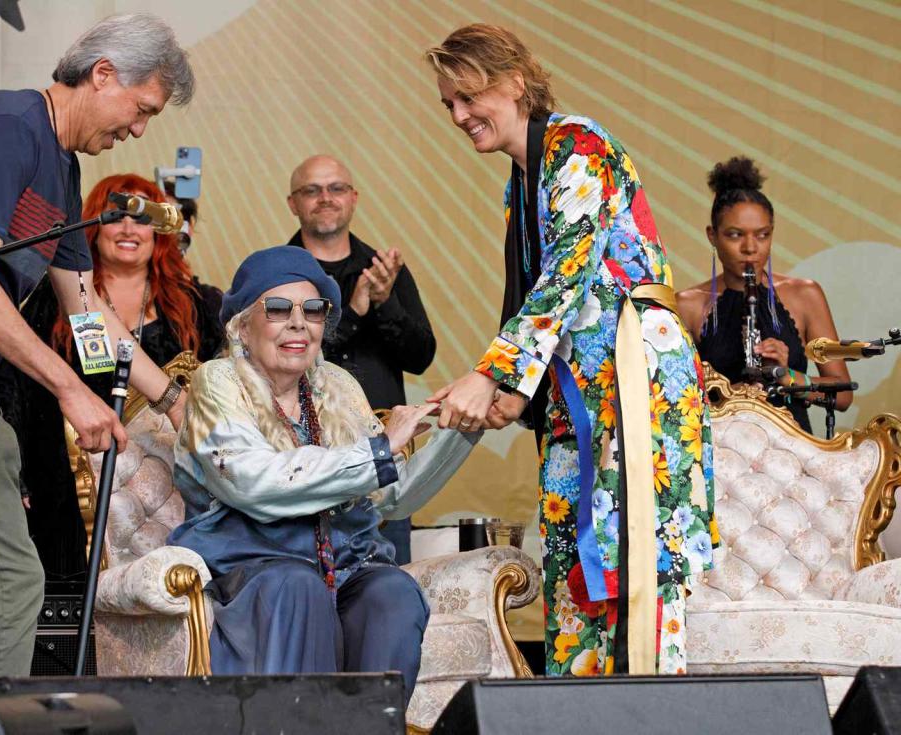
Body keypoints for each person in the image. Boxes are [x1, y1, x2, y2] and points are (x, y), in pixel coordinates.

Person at [425, 24, 716, 677]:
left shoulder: (577, 147)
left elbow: (567, 274)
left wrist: (491, 372)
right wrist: (507, 390)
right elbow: (526, 292)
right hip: (574, 385)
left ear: (517, 82)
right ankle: (577, 704)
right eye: (448, 103)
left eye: (468, 96)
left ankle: (651, 708)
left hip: (632, 373)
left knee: (633, 549)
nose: (459, 115)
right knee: (571, 542)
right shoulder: (521, 179)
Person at [0, 13, 193, 697]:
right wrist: (70, 391)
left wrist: (174, 402)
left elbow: (88, 314)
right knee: (15, 580)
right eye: (141, 109)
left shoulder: (61, 165)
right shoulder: (7, 128)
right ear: (103, 73)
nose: (138, 131)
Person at [168, 246, 477, 699]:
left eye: (313, 310)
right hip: (254, 569)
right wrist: (377, 451)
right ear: (242, 326)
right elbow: (253, 482)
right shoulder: (217, 382)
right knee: (298, 588)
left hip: (346, 567)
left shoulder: (337, 385)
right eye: (278, 308)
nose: (298, 322)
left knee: (392, 591)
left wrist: (462, 429)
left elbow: (392, 495)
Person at [0, 173, 223, 578]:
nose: (129, 227)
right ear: (90, 228)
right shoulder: (55, 298)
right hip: (63, 486)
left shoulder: (198, 304)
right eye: (116, 214)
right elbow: (12, 386)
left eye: (142, 216)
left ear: (160, 233)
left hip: (171, 491)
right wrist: (16, 472)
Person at [286, 155, 437, 564]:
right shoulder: (278, 276)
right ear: (293, 203)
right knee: (308, 578)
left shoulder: (384, 271)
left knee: (389, 574)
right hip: (301, 457)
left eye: (336, 188)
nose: (325, 198)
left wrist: (386, 302)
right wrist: (351, 313)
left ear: (353, 199)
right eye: (312, 190)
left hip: (384, 456)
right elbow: (275, 363)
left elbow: (422, 356)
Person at [676, 156, 853, 434]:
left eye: (762, 235)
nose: (750, 248)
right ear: (712, 235)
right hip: (727, 452)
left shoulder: (805, 295)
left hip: (793, 450)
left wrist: (785, 375)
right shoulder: (687, 305)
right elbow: (673, 402)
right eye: (735, 235)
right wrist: (734, 393)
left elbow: (842, 395)